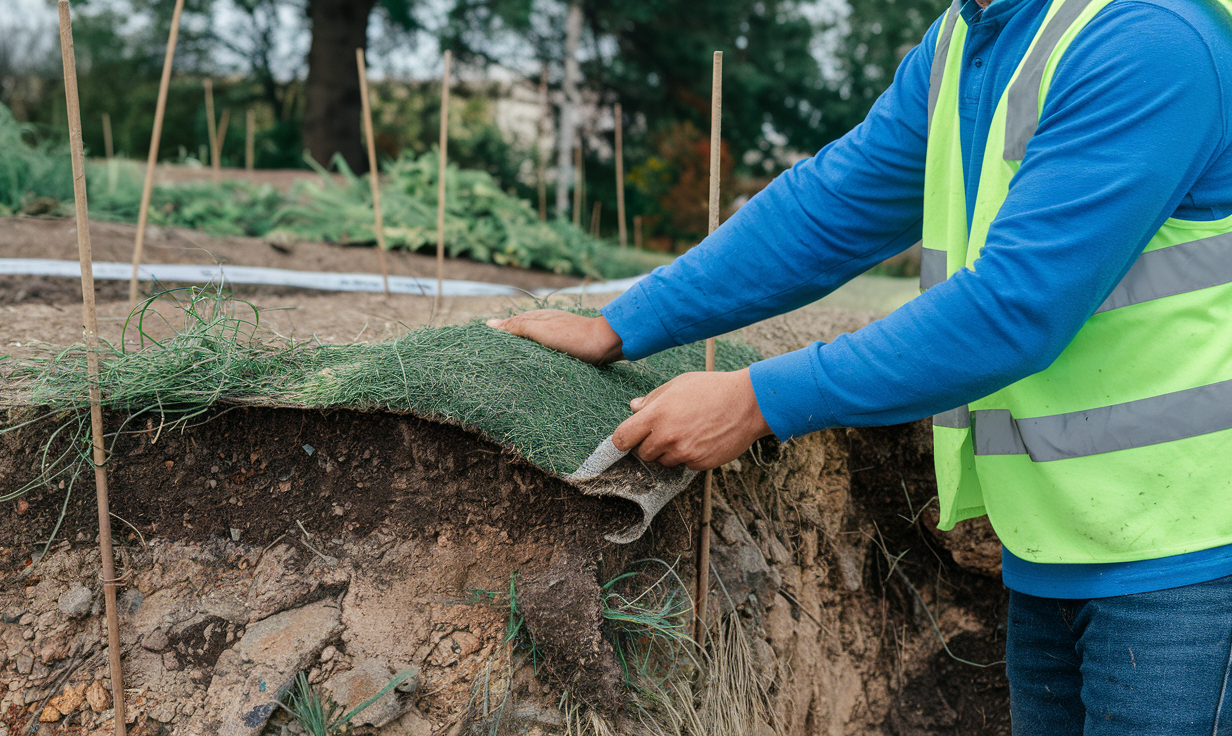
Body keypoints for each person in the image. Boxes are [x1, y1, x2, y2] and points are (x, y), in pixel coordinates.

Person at [489, 0, 1232, 732]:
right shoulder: (972, 35)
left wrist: (757, 399)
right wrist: (624, 325)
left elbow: (1014, 309)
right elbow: (832, 207)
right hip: (1060, 542)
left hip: (1191, 555)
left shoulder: (1149, 38)